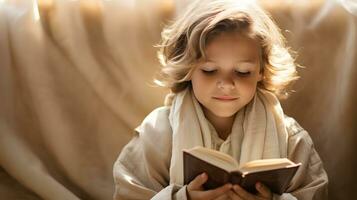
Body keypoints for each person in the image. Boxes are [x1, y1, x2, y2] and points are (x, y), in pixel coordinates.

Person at [113, 0, 328, 199]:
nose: (226, 84)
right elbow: (129, 193)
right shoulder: (157, 134)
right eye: (209, 70)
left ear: (261, 71)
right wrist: (182, 197)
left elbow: (316, 193)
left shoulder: (291, 138)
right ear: (188, 69)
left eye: (243, 72)